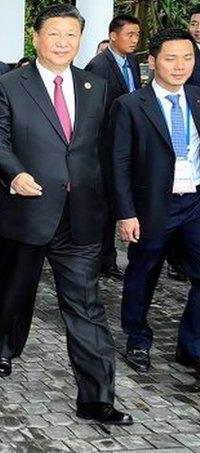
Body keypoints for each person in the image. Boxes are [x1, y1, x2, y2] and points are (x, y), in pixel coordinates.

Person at [0, 4, 132, 425]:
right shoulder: (10, 85)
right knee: (15, 291)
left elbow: (106, 149)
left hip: (82, 215)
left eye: (71, 34)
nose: (62, 41)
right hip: (29, 210)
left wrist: (118, 206)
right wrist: (14, 174)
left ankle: (96, 398)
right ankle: (4, 347)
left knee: (86, 307)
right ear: (36, 37)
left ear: (80, 38)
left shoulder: (96, 87)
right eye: (54, 33)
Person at [110, 28, 200, 375]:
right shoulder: (131, 106)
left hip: (193, 202)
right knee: (143, 274)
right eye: (171, 58)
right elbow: (117, 164)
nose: (180, 66)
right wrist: (126, 213)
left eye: (188, 57)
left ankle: (191, 346)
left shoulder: (196, 98)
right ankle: (137, 338)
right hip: (151, 208)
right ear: (152, 62)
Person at [86, 14, 143, 281]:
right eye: (129, 34)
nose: (135, 39)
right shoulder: (98, 66)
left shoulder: (131, 62)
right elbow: (94, 112)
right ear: (113, 36)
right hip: (106, 146)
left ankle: (112, 257)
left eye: (137, 35)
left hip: (130, 141)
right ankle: (101, 259)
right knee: (105, 207)